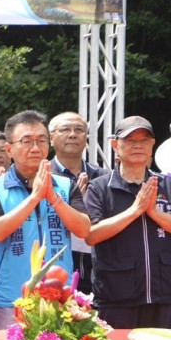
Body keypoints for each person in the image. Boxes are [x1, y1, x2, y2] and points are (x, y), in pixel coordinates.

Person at [84, 116, 171, 329]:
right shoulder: (100, 187)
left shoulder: (165, 184)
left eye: (144, 140)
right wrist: (135, 211)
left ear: (152, 145)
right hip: (116, 299)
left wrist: (155, 214)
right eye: (131, 140)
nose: (138, 145)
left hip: (163, 298)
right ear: (115, 145)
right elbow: (91, 234)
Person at [0, 111, 91, 329]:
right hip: (11, 296)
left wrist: (53, 198)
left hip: (59, 295)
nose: (35, 147)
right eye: (26, 141)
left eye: (41, 141)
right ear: (9, 149)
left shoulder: (66, 186)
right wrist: (34, 198)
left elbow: (84, 229)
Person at [49, 111, 108, 293]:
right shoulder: (42, 177)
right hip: (53, 272)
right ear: (51, 138)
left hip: (99, 272)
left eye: (79, 130)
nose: (73, 134)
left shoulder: (104, 177)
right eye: (65, 129)